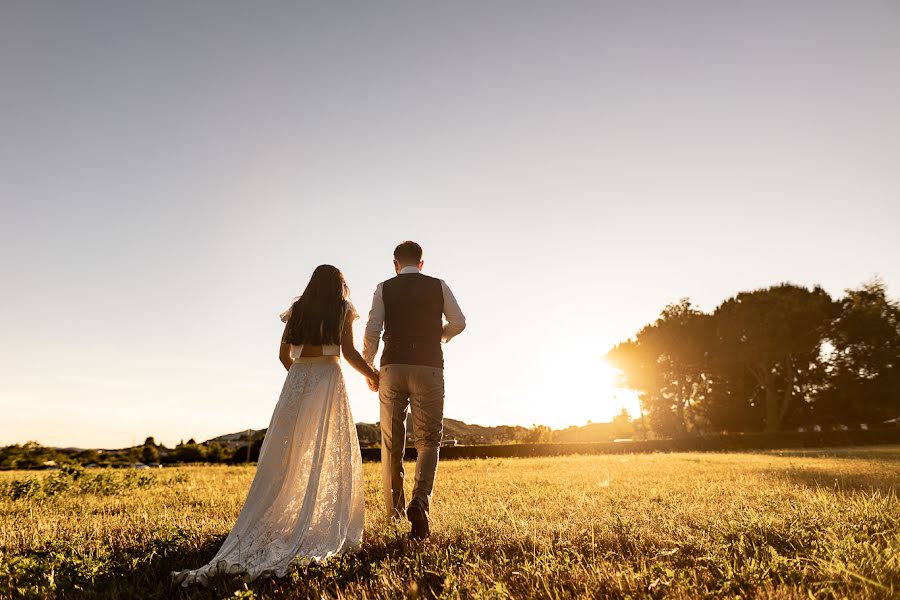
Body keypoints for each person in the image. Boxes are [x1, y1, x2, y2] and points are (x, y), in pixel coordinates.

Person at [172, 265, 378, 586]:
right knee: (324, 450)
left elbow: (284, 355)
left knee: (289, 451)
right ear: (341, 285)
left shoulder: (298, 309)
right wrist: (372, 374)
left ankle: (280, 517)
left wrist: (300, 380)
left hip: (298, 380)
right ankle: (309, 524)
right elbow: (348, 351)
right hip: (328, 379)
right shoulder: (343, 309)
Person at [363, 241, 466, 540]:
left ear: (394, 264)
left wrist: (369, 367)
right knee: (429, 440)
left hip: (392, 367)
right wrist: (439, 336)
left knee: (392, 442)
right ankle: (420, 503)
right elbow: (459, 322)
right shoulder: (439, 286)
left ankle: (394, 513)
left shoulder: (383, 288)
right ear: (422, 263)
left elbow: (373, 329)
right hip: (429, 366)